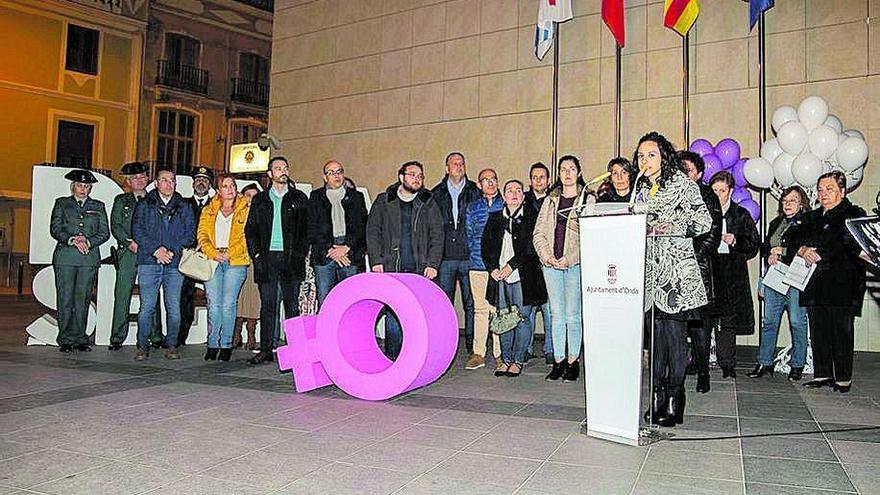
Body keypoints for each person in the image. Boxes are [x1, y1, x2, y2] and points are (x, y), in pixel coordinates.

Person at [632, 132, 711, 427]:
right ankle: (657, 398)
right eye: (640, 156)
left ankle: (677, 401)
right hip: (650, 275)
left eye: (651, 154)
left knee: (675, 340)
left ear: (664, 156)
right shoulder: (639, 189)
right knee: (656, 342)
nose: (645, 161)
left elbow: (704, 222)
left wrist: (674, 225)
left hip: (676, 274)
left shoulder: (683, 184)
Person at [791, 171, 867, 393]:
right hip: (814, 283)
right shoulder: (812, 217)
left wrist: (819, 251)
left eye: (829, 189)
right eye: (820, 189)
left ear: (842, 191)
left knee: (841, 331)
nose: (823, 193)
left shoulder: (853, 213)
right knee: (819, 330)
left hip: (842, 283)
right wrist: (802, 249)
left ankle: (843, 377)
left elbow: (846, 242)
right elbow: (793, 235)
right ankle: (822, 373)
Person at [366, 160, 444, 359]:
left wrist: (433, 264)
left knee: (418, 315)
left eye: (420, 175)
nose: (417, 179)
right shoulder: (384, 200)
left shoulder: (429, 202)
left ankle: (415, 358)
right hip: (391, 267)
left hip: (420, 268)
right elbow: (372, 232)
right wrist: (376, 260)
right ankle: (394, 357)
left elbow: (438, 234)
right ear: (401, 177)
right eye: (412, 174)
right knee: (393, 312)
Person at [245, 157, 309, 365]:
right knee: (268, 306)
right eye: (278, 168)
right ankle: (265, 349)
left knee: (292, 306)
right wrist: (256, 255)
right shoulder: (260, 200)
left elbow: (306, 231)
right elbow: (251, 231)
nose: (283, 171)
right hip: (267, 258)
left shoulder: (299, 198)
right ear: (270, 174)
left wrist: (300, 253)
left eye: (285, 168)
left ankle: (297, 350)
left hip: (291, 258)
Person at [481, 180, 547, 377]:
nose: (515, 194)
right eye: (510, 190)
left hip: (523, 276)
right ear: (504, 195)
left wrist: (511, 266)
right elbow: (486, 247)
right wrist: (492, 268)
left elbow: (531, 248)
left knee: (523, 318)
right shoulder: (494, 218)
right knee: (504, 318)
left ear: (523, 196)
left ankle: (518, 360)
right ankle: (505, 359)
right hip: (499, 277)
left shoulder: (531, 218)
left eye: (518, 190)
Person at [131, 167, 196, 360]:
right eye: (165, 180)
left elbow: (190, 233)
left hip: (174, 263)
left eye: (172, 180)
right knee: (147, 307)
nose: (169, 184)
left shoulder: (184, 206)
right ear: (157, 183)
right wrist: (156, 250)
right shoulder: (145, 204)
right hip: (149, 262)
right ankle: (142, 345)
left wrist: (171, 251)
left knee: (174, 307)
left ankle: (172, 344)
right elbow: (137, 230)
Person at [748, 185, 811, 381]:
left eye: (792, 200)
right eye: (784, 201)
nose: (787, 204)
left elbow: (805, 248)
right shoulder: (776, 222)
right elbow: (767, 246)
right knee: (769, 322)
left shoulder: (808, 222)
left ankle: (798, 365)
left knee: (797, 322)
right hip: (775, 277)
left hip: (796, 278)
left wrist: (781, 252)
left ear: (802, 204)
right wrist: (769, 255)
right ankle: (765, 362)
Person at [533, 155, 585, 382]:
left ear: (579, 172)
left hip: (574, 265)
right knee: (556, 315)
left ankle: (573, 361)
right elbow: (539, 234)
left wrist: (569, 258)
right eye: (563, 169)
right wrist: (547, 257)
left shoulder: (587, 199)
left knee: (573, 315)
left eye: (571, 169)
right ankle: (558, 360)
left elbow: (590, 237)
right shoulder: (550, 200)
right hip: (551, 265)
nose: (567, 173)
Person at [50, 169, 110, 353]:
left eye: (86, 186)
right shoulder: (62, 203)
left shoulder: (98, 206)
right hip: (66, 257)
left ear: (90, 188)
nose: (83, 189)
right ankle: (65, 339)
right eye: (79, 185)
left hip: (88, 258)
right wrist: (72, 239)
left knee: (82, 299)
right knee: (65, 298)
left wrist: (89, 242)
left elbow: (104, 232)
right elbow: (55, 228)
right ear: (73, 186)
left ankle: (80, 338)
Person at [678, 151, 723, 393]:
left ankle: (703, 371)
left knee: (700, 327)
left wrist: (688, 255)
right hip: (675, 270)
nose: (684, 174)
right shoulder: (672, 195)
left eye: (689, 170)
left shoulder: (708, 196)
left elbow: (712, 235)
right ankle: (682, 369)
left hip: (699, 270)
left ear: (700, 174)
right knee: (677, 327)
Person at [710, 171, 760, 378]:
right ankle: (700, 360)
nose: (718, 194)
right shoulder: (703, 214)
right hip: (709, 270)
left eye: (722, 190)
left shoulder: (741, 215)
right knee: (704, 319)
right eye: (714, 190)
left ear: (730, 191)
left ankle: (727, 363)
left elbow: (754, 245)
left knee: (728, 320)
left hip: (732, 273)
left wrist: (736, 240)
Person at [431, 152, 480, 361]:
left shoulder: (475, 191)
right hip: (445, 258)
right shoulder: (435, 193)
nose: (458, 166)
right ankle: (443, 346)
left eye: (462, 163)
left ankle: (472, 348)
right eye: (454, 163)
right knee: (444, 303)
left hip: (469, 256)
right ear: (446, 168)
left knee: (472, 304)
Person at [198, 173, 251, 362]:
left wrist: (230, 252)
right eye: (226, 186)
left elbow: (248, 236)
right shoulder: (208, 210)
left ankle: (226, 344)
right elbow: (202, 235)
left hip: (235, 260)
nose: (230, 189)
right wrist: (213, 252)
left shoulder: (246, 208)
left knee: (229, 304)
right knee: (214, 304)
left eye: (233, 185)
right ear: (218, 190)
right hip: (213, 259)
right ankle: (212, 344)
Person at [108, 162, 160, 350]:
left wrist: (151, 247)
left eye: (142, 177)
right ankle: (117, 337)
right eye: (134, 178)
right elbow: (116, 225)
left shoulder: (155, 200)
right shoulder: (121, 200)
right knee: (122, 294)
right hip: (128, 253)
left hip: (150, 254)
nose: (139, 180)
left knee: (152, 295)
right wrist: (129, 242)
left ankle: (155, 336)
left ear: (147, 179)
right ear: (128, 181)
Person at [308, 160, 368, 306]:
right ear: (324, 177)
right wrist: (331, 249)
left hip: (350, 253)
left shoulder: (356, 197)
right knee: (325, 299)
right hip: (324, 253)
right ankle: (327, 329)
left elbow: (362, 227)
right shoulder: (315, 197)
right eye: (331, 172)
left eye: (339, 171)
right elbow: (311, 228)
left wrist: (346, 247)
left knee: (351, 300)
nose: (336, 175)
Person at [464, 168, 504, 371]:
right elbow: (469, 236)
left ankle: (500, 354)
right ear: (479, 185)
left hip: (498, 268)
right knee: (480, 310)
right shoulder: (472, 207)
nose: (490, 183)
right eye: (485, 180)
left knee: (497, 310)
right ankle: (478, 353)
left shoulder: (505, 204)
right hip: (478, 265)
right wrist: (476, 256)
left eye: (493, 179)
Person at [178, 166, 213, 347]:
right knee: (185, 295)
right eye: (198, 179)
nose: (201, 182)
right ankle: (181, 335)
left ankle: (214, 337)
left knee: (214, 297)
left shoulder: (217, 204)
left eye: (205, 180)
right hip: (189, 257)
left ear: (210, 185)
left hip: (211, 257)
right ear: (193, 183)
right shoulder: (183, 204)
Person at [524, 162, 553, 364]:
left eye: (542, 177)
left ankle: (551, 349)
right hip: (527, 262)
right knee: (528, 311)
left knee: (550, 310)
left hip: (549, 260)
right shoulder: (523, 201)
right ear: (530, 180)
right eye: (535, 177)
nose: (538, 180)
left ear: (548, 180)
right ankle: (525, 348)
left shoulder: (554, 202)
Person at [235, 184, 261, 350]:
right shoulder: (234, 213)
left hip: (255, 260)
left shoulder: (263, 215)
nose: (251, 199)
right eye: (247, 195)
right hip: (237, 259)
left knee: (253, 299)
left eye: (254, 196)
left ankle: (251, 333)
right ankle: (235, 333)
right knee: (236, 297)